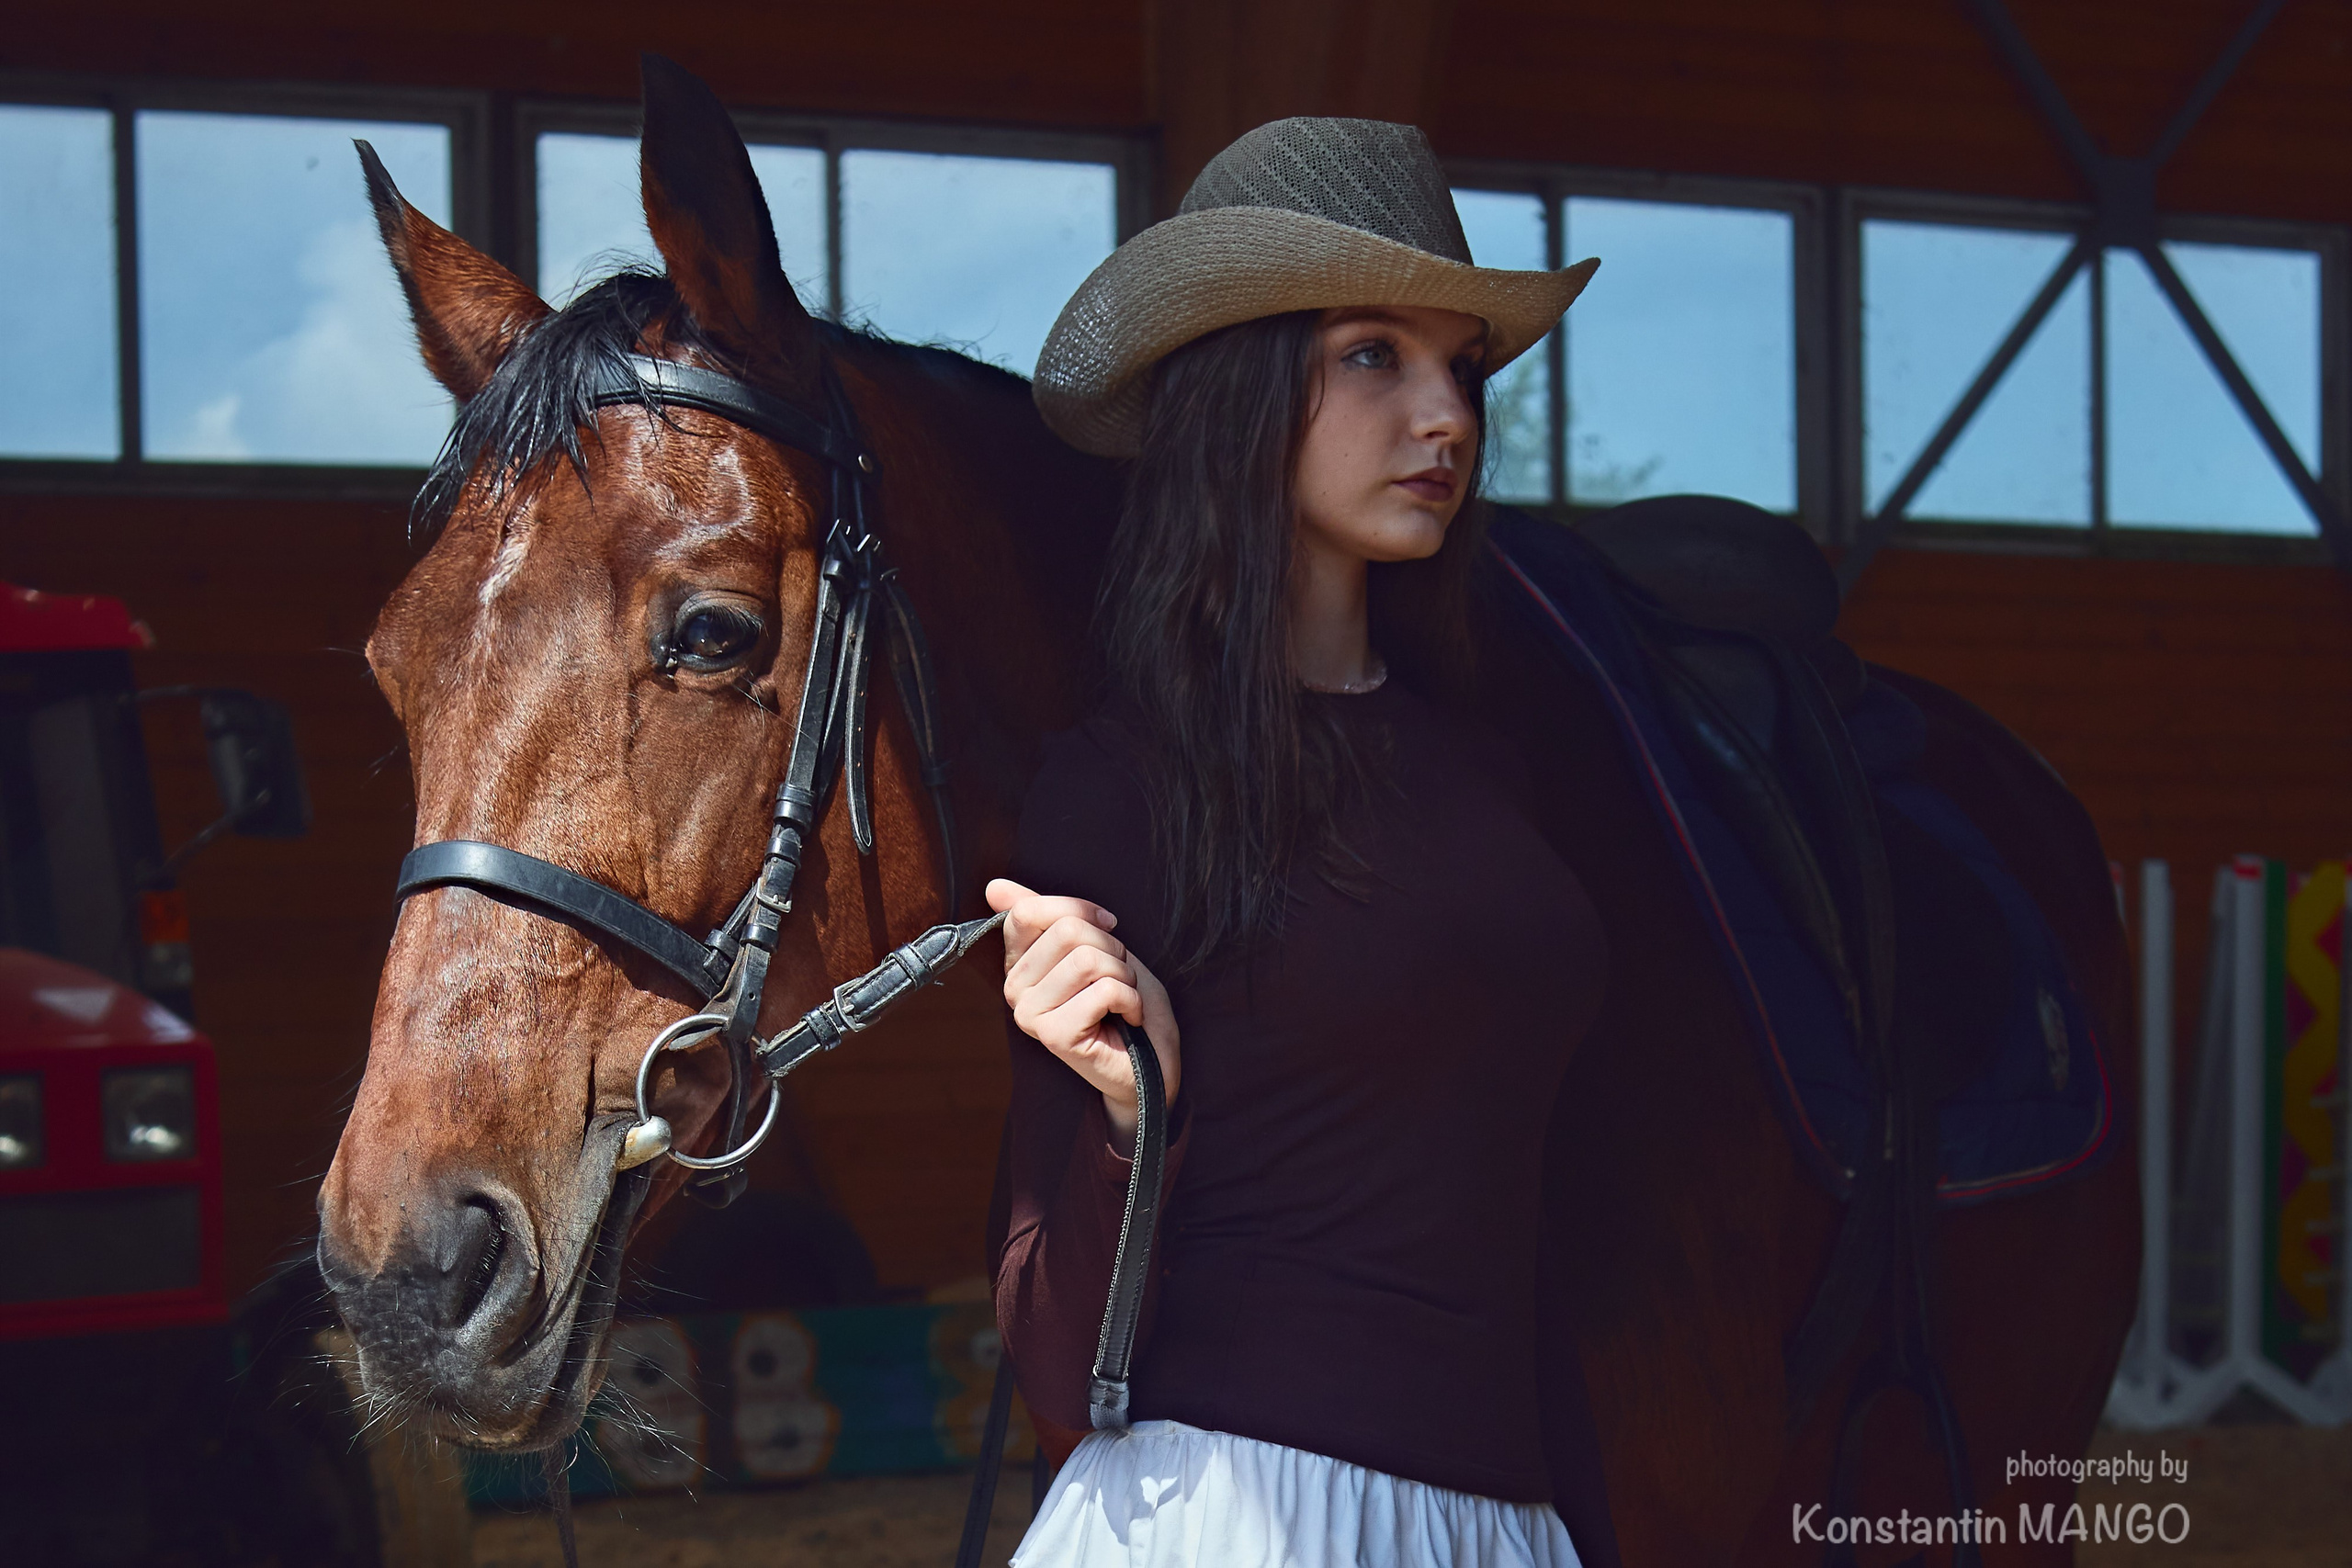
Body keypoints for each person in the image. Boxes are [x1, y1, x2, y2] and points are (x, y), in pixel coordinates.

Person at [986, 117, 1617, 1568]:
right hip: (1225, 1514)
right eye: (1372, 355)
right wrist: (1130, 1122)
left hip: (1503, 1516)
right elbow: (1044, 1347)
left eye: (1460, 363)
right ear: (1241, 394)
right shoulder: (1120, 789)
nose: (1447, 414)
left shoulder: (1492, 775)